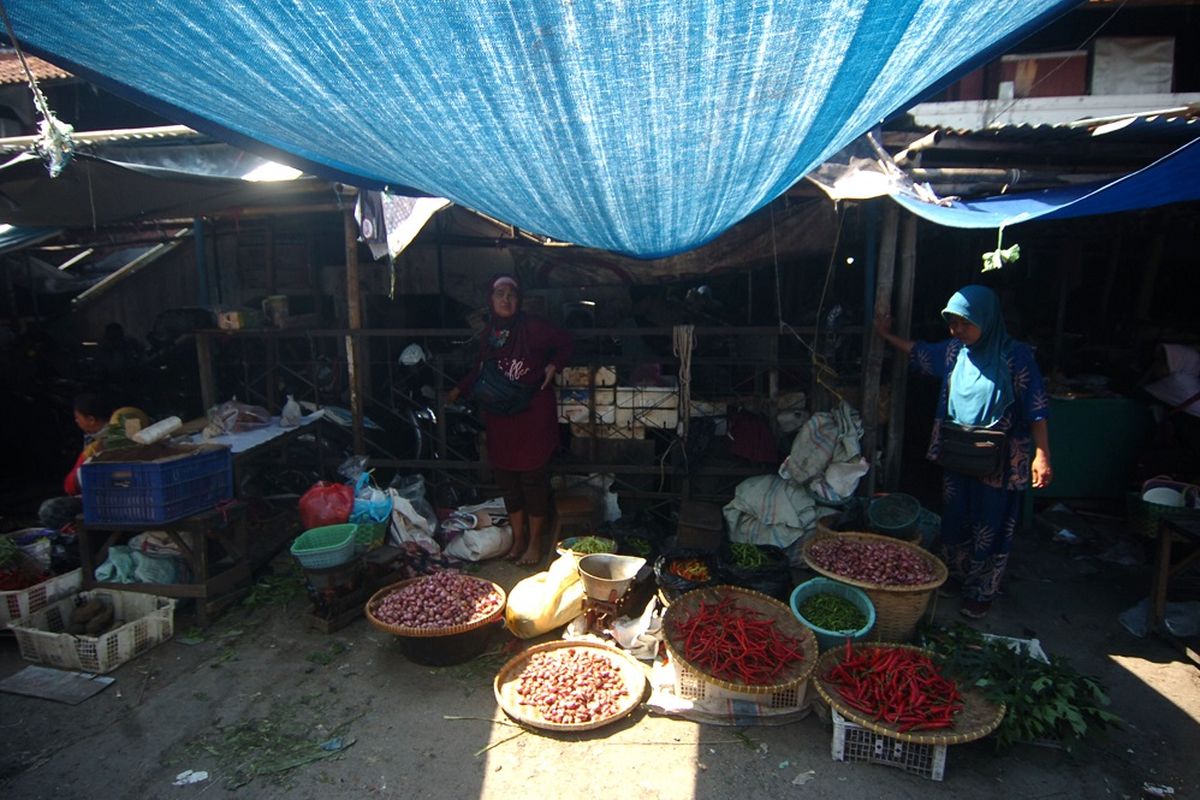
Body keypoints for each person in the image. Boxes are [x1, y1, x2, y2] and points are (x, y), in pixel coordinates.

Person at [875, 285, 1052, 619]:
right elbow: (918, 351)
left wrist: (1042, 455)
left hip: (1000, 459)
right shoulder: (956, 352)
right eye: (952, 323)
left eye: (964, 324)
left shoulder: (1016, 356)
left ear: (986, 320)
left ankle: (982, 590)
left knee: (991, 523)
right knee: (956, 517)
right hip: (958, 452)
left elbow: (1036, 409)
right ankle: (955, 577)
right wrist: (886, 335)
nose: (956, 330)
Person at [448, 274, 574, 565]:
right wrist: (458, 389)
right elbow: (481, 369)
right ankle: (517, 541)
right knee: (507, 481)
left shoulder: (535, 327)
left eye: (512, 294)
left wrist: (554, 365)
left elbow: (566, 342)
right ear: (490, 300)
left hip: (532, 415)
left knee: (533, 480)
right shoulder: (490, 333)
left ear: (519, 299)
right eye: (500, 294)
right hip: (500, 418)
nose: (506, 299)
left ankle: (534, 544)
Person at [38, 392, 151, 529]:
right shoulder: (140, 432)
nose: (76, 421)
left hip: (117, 502)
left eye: (78, 417)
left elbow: (71, 487)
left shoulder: (96, 448)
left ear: (91, 419)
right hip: (144, 497)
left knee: (50, 510)